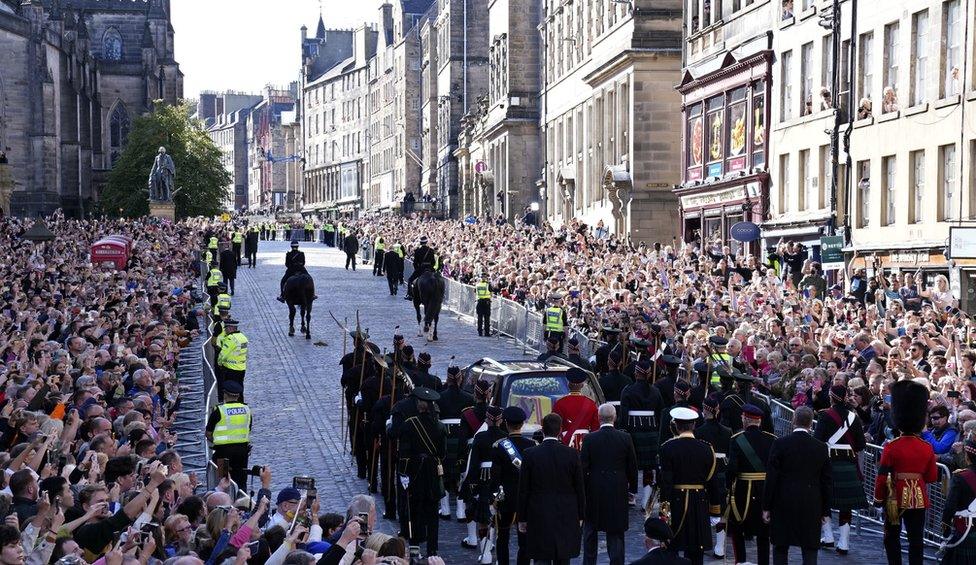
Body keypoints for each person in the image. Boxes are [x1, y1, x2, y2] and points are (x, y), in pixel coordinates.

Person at [874, 379, 939, 565]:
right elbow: (932, 477)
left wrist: (879, 499)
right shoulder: (926, 447)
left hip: (895, 497)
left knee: (891, 537)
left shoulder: (891, 447)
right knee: (916, 540)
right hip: (917, 497)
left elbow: (881, 476)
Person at [762, 406, 831, 565]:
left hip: (783, 501)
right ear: (810, 424)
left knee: (780, 547)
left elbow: (771, 477)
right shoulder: (821, 448)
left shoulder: (780, 444)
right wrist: (825, 510)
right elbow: (826, 482)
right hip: (811, 503)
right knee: (809, 549)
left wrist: (766, 506)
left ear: (793, 421)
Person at [659, 406, 724, 565]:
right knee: (696, 550)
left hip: (675, 501)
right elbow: (712, 482)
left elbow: (666, 484)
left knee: (672, 546)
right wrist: (715, 510)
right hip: (699, 502)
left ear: (676, 425)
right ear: (694, 425)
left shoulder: (667, 447)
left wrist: (663, 513)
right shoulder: (707, 448)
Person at [517, 413, 585, 565]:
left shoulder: (530, 454)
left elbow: (524, 489)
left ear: (542, 429)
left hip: (539, 511)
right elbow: (579, 487)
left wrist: (522, 517)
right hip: (566, 511)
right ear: (560, 430)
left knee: (541, 557)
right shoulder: (572, 454)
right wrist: (581, 514)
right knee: (563, 556)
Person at [813, 384, 868, 554]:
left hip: (829, 463)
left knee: (824, 500)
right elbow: (861, 445)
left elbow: (817, 441)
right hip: (849, 464)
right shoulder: (854, 417)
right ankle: (844, 542)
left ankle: (828, 536)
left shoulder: (824, 416)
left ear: (830, 397)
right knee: (847, 505)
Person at [580, 403, 637, 565]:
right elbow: (632, 466)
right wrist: (632, 489)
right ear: (615, 417)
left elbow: (583, 468)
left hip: (594, 488)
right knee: (616, 532)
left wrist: (582, 491)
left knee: (590, 530)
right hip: (617, 489)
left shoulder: (590, 438)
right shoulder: (625, 438)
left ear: (598, 418)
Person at [397, 387, 447, 557]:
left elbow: (403, 454)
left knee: (415, 510)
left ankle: (415, 547)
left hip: (415, 471)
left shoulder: (409, 424)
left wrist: (403, 473)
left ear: (419, 405)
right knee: (432, 513)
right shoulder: (440, 426)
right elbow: (442, 453)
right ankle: (432, 549)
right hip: (432, 472)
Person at [725, 404, 776, 565]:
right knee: (763, 533)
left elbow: (732, 469)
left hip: (742, 490)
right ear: (759, 422)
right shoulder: (771, 440)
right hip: (765, 490)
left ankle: (740, 561)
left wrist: (728, 487)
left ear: (746, 420)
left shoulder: (736, 439)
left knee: (737, 529)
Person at [491, 406, 537, 565]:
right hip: (527, 499)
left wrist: (495, 500)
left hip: (506, 498)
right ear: (522, 424)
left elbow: (495, 478)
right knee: (524, 539)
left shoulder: (499, 446)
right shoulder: (533, 445)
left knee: (502, 537)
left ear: (505, 423)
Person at [460, 406, 507, 563]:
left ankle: (486, 553)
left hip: (483, 478)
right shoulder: (505, 438)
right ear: (501, 420)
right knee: (497, 516)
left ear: (487, 419)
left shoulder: (480, 437)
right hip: (500, 478)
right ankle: (497, 552)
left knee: (483, 516)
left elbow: (473, 464)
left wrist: (470, 484)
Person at [619, 358, 664, 509]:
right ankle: (646, 501)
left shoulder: (628, 390)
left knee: (630, 465)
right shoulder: (656, 391)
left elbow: (623, 416)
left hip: (633, 431)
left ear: (636, 373)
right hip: (651, 433)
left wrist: (623, 431)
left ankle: (631, 495)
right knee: (649, 469)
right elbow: (659, 414)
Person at [693, 393, 732, 560]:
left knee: (703, 509)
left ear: (704, 410)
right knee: (721, 510)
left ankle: (702, 543)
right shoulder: (728, 431)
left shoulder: (698, 431)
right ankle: (719, 547)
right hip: (721, 473)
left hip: (705, 473)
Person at [436, 366, 473, 521]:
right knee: (461, 472)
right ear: (460, 378)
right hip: (461, 434)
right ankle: (460, 510)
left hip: (445, 434)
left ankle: (445, 509)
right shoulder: (469, 397)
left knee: (442, 472)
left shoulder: (439, 397)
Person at [205, 380, 252, 489]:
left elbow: (208, 433)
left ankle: (224, 501)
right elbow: (248, 429)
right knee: (241, 480)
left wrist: (216, 440)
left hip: (222, 453)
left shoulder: (219, 411)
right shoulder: (246, 409)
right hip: (242, 452)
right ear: (238, 395)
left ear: (225, 394)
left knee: (223, 480)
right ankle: (242, 502)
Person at [940, 437, 976, 564]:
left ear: (967, 457)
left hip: (964, 530)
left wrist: (945, 531)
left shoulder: (961, 477)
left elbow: (949, 507)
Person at [552, 368, 600, 448]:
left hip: (565, 443)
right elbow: (596, 428)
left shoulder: (559, 403)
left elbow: (554, 425)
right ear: (582, 385)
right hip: (585, 443)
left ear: (568, 384)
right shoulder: (590, 403)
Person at [216, 318, 248, 398]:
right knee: (239, 388)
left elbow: (223, 354)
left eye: (226, 328)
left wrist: (219, 363)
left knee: (230, 389)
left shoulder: (231, 338)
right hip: (242, 368)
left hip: (231, 369)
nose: (225, 331)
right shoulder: (243, 337)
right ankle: (241, 402)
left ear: (230, 328)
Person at [405, 236, 436, 300]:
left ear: (420, 243)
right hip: (429, 268)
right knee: (437, 280)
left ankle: (410, 295)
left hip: (420, 269)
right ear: (426, 242)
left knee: (410, 280)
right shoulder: (431, 250)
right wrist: (430, 267)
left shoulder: (417, 250)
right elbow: (433, 262)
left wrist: (417, 269)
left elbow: (415, 262)